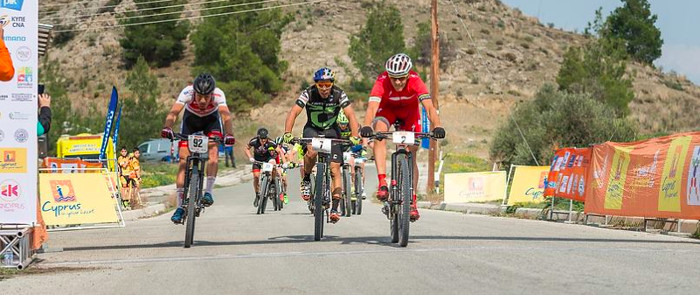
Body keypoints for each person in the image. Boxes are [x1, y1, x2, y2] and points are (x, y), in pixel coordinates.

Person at [360, 53, 446, 222]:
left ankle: (412, 201)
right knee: (379, 132)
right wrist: (366, 125)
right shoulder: (381, 81)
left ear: (408, 75)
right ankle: (382, 182)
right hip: (387, 111)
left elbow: (429, 107)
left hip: (410, 114)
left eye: (401, 78)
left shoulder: (415, 80)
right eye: (394, 78)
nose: (398, 82)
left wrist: (437, 126)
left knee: (412, 152)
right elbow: (372, 108)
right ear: (388, 76)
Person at [282, 67, 361, 223]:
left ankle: (334, 208)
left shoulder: (339, 93)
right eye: (320, 85)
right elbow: (294, 112)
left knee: (334, 169)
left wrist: (354, 136)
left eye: (327, 84)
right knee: (311, 152)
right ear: (316, 84)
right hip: (313, 129)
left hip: (332, 131)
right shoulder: (308, 93)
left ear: (332, 83)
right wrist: (287, 132)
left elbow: (350, 114)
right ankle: (306, 178)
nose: (324, 88)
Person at [161, 73, 235, 224]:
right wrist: (167, 128)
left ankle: (208, 192)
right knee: (183, 161)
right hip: (191, 120)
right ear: (194, 92)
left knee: (213, 153)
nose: (202, 100)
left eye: (206, 97)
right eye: (199, 96)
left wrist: (229, 134)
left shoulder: (218, 94)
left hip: (211, 121)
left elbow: (226, 116)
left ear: (212, 94)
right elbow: (174, 112)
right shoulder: (187, 92)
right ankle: (180, 206)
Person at [245, 128, 279, 207]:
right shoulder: (254, 141)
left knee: (273, 167)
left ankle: (273, 182)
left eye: (265, 139)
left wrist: (282, 161)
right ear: (258, 137)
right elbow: (246, 148)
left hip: (267, 160)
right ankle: (257, 194)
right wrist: (250, 157)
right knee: (256, 177)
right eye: (261, 139)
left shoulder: (271, 142)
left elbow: (279, 151)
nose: (263, 141)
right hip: (257, 161)